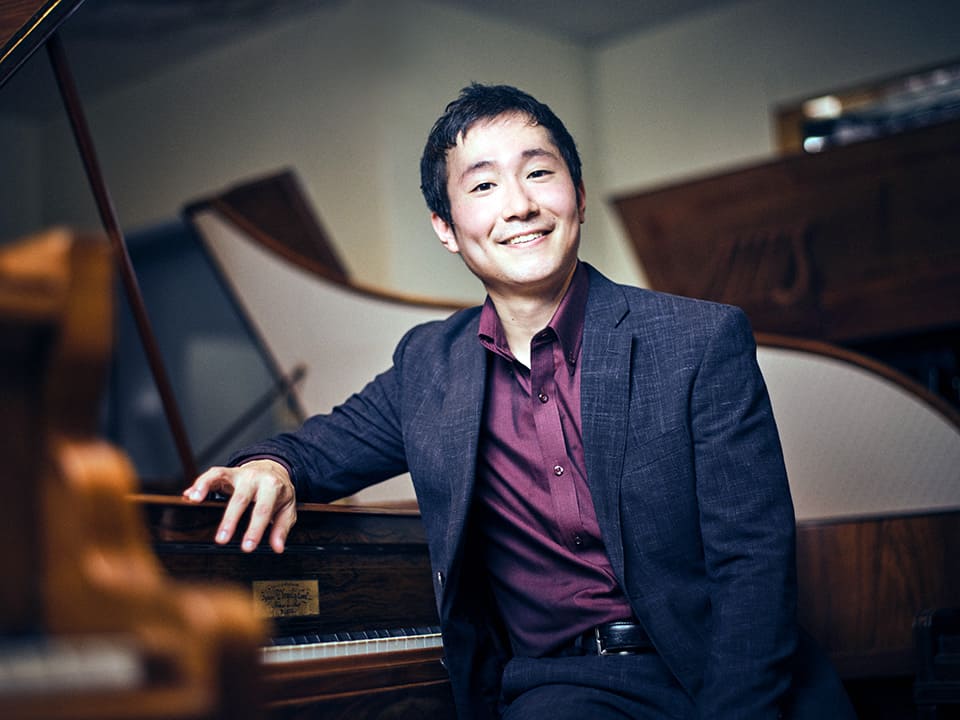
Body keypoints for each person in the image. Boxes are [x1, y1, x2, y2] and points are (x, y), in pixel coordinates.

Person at [184, 83, 853, 719]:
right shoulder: (429, 366)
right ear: (446, 228)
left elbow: (753, 564)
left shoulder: (700, 339)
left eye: (538, 172)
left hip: (717, 673)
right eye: (483, 185)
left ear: (579, 197)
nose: (519, 205)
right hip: (565, 689)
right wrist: (271, 466)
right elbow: (318, 449)